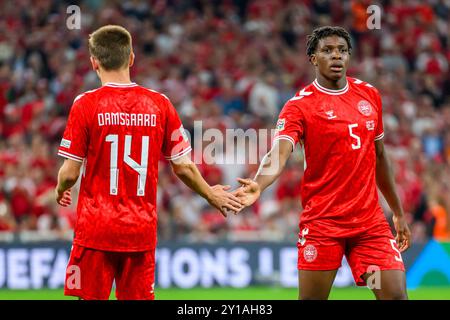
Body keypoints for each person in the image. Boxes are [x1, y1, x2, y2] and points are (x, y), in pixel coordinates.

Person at [55, 25, 242, 300]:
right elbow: (184, 166)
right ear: (131, 58)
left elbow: (70, 173)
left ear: (94, 62)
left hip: (96, 228)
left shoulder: (85, 104)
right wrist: (211, 194)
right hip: (139, 231)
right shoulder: (159, 104)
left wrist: (61, 189)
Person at [234, 26, 411, 300]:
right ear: (314, 59)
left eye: (342, 50)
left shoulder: (369, 95)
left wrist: (397, 211)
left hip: (369, 224)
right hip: (323, 223)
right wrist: (259, 183)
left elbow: (379, 156)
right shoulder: (300, 106)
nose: (336, 56)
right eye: (327, 50)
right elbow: (278, 154)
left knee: (396, 295)